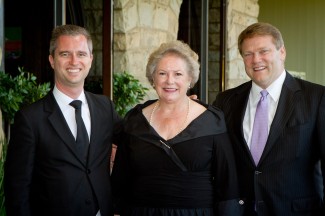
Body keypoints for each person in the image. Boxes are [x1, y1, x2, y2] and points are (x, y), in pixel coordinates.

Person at [111, 40, 244, 216]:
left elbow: (227, 185)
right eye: (162, 73)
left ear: (190, 79)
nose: (169, 81)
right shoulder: (135, 120)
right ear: (153, 79)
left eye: (178, 74)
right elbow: (121, 179)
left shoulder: (212, 121)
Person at [4, 24, 120, 216]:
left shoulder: (105, 107)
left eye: (81, 54)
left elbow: (136, 134)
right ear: (52, 60)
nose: (74, 61)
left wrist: (180, 106)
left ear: (90, 59)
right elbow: (17, 189)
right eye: (65, 54)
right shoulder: (30, 119)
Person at [213, 22, 325, 215]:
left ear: (282, 52)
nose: (256, 60)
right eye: (248, 54)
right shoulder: (226, 100)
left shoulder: (316, 97)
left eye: (263, 51)